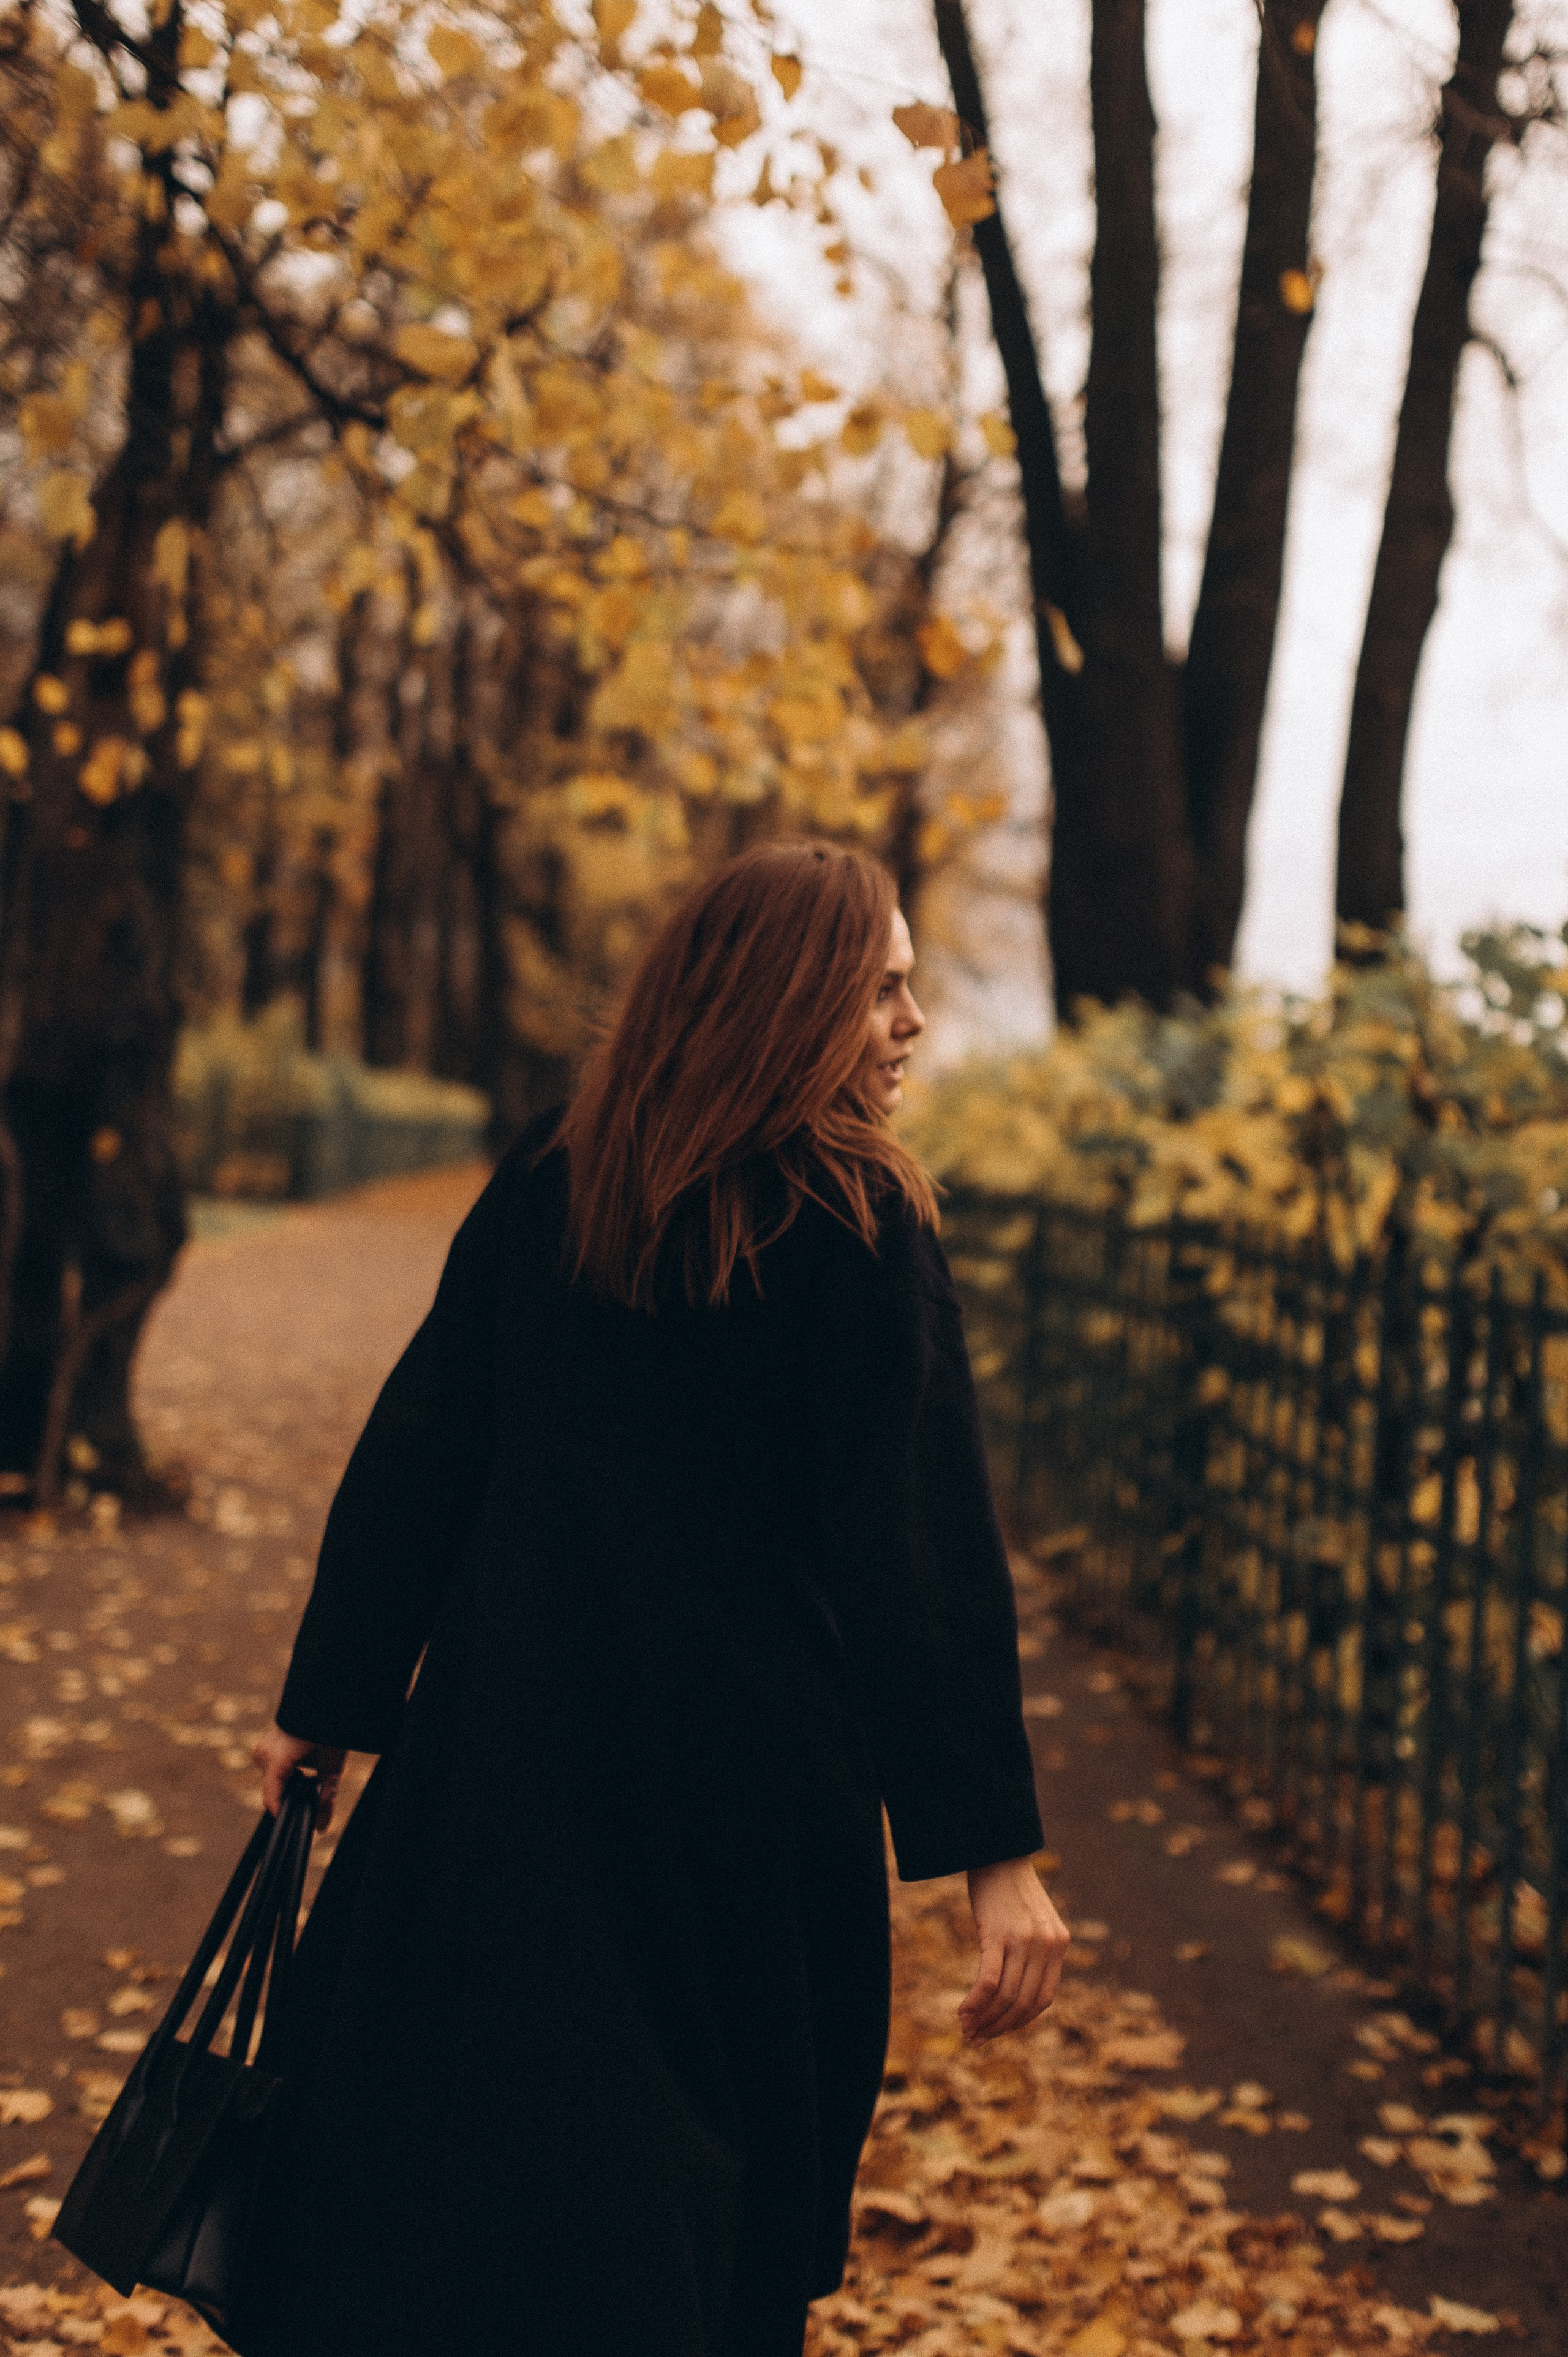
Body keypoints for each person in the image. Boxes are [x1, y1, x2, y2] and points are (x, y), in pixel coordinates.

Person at [241, 841, 1068, 2357]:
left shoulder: (562, 1172)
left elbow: (421, 1447)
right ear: (791, 997)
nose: (912, 1021)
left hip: (507, 1771)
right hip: (738, 1820)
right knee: (708, 2219)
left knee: (488, 2183)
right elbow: (916, 1550)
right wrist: (987, 1850)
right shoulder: (859, 1219)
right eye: (882, 985)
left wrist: (335, 1701)